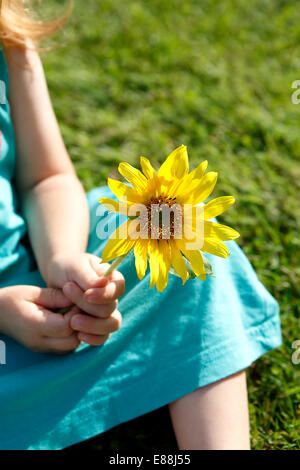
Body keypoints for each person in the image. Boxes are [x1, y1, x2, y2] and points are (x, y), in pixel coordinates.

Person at [0, 1, 281, 450]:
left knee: (187, 246)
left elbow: (45, 178)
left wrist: (63, 259)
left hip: (35, 275)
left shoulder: (7, 37)